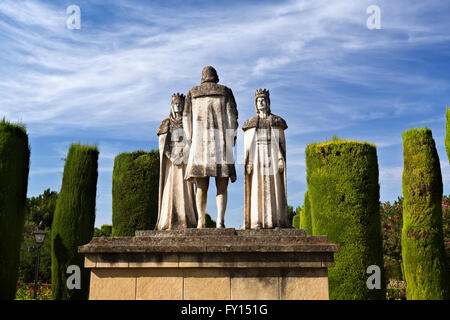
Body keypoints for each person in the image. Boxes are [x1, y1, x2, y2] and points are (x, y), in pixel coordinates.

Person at [183, 66, 238, 228]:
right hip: (221, 143)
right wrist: (231, 138)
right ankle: (220, 221)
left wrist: (190, 138)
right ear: (216, 77)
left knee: (201, 186)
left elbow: (186, 119)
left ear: (202, 77)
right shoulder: (225, 92)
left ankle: (201, 221)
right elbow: (232, 118)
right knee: (222, 185)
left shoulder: (193, 93)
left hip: (200, 144)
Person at [242, 88, 288, 229]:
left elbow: (280, 143)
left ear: (268, 103)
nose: (261, 103)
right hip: (257, 158)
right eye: (259, 101)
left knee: (273, 187)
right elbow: (248, 147)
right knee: (257, 187)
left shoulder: (276, 121)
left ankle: (275, 220)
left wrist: (280, 159)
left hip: (272, 156)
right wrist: (249, 162)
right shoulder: (250, 123)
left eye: (263, 100)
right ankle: (256, 221)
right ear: (256, 104)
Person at [155, 93, 197, 230]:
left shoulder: (189, 123)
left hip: (185, 160)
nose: (178, 106)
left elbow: (193, 141)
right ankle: (169, 220)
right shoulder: (166, 123)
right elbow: (164, 145)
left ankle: (188, 219)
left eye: (180, 104)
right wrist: (171, 156)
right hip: (171, 164)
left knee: (187, 190)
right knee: (171, 191)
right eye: (175, 104)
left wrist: (184, 153)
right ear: (172, 106)